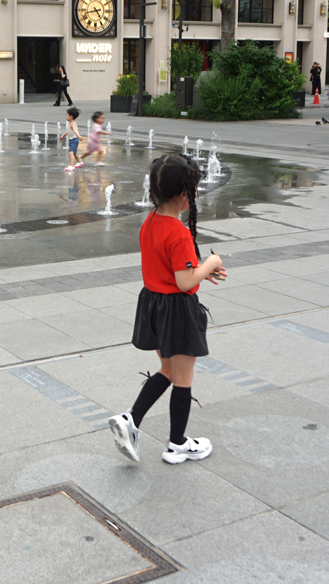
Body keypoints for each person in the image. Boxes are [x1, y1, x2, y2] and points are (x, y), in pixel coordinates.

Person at [107, 153, 226, 465]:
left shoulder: (150, 222)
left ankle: (131, 420)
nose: (196, 193)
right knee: (183, 377)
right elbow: (185, 282)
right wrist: (210, 263)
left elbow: (169, 268)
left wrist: (198, 271)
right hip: (177, 311)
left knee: (169, 370)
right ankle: (177, 445)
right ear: (183, 193)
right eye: (194, 188)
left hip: (155, 306)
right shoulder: (178, 231)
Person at [58, 107, 84, 171]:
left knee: (70, 152)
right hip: (72, 140)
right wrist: (63, 135)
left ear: (71, 116)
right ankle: (80, 162)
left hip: (74, 140)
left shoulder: (73, 124)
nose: (66, 117)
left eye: (67, 115)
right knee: (74, 153)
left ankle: (71, 165)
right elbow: (69, 131)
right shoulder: (70, 123)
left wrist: (79, 136)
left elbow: (75, 130)